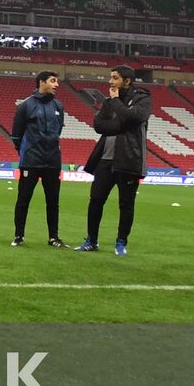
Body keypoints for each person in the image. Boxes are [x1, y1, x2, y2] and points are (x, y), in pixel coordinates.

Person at [76, 65, 151, 256]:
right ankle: (92, 240)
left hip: (128, 159)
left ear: (127, 81)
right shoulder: (109, 102)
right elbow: (98, 125)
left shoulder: (142, 98)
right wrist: (121, 123)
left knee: (126, 204)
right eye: (110, 77)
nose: (110, 82)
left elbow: (133, 116)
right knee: (96, 201)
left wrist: (117, 101)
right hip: (105, 159)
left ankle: (121, 242)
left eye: (115, 78)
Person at [8, 70, 67, 248]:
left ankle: (53, 237)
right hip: (31, 160)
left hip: (53, 161)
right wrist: (27, 151)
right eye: (53, 81)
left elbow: (58, 132)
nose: (57, 85)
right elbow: (16, 135)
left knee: (53, 201)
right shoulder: (25, 106)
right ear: (42, 82)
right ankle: (19, 236)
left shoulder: (59, 106)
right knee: (23, 199)